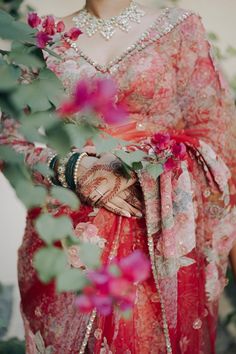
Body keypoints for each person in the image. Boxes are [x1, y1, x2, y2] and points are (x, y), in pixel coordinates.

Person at [1, 1, 236, 353]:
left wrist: (141, 165)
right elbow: (9, 140)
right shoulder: (41, 39)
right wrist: (76, 169)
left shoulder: (179, 28)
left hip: (158, 231)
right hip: (69, 239)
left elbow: (218, 131)